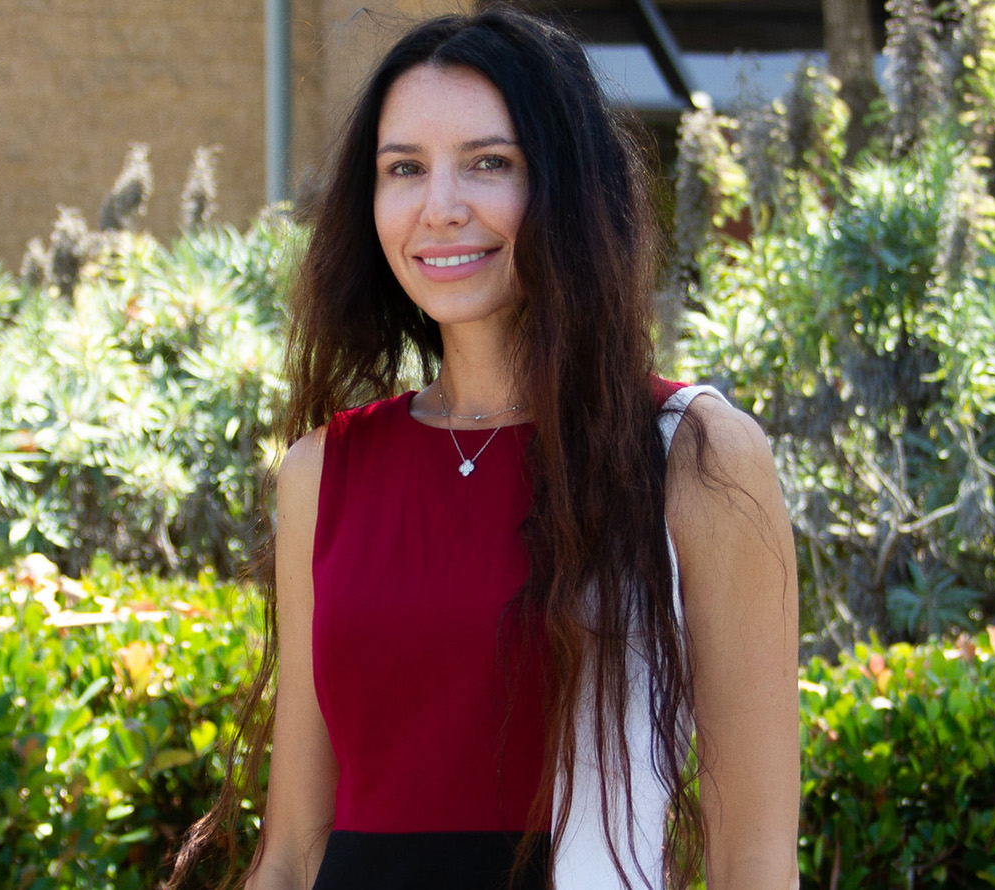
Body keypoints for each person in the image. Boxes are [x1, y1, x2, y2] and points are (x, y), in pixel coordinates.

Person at [166, 10, 799, 890]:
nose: (441, 208)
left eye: (489, 163)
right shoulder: (325, 470)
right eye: (405, 170)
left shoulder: (692, 456)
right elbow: (296, 850)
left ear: (567, 185)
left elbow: (753, 861)